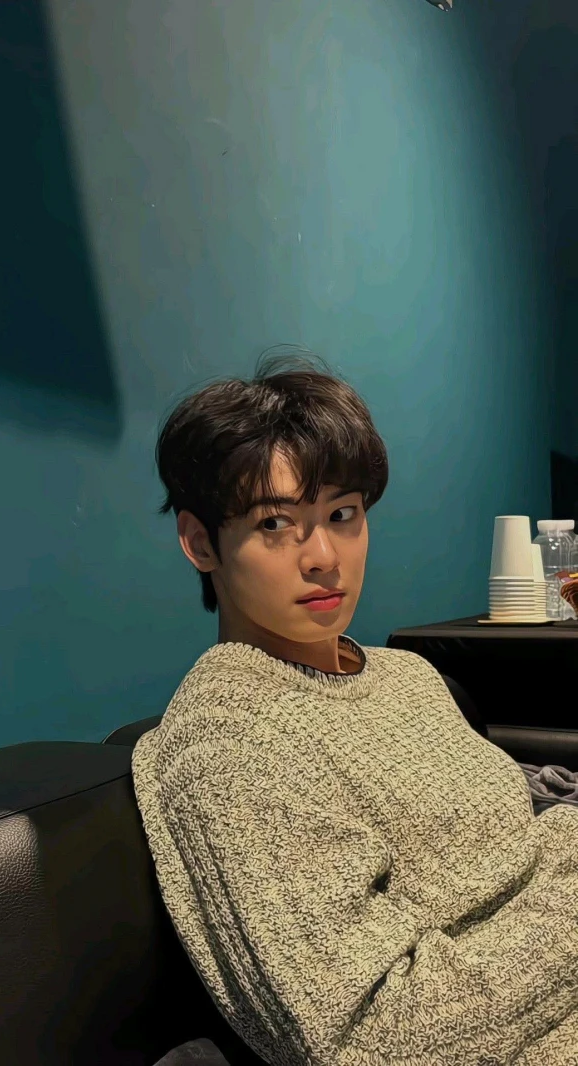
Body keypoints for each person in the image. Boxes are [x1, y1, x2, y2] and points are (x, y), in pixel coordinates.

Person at [132, 350, 578, 1066]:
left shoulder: (405, 674)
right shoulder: (230, 744)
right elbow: (374, 1035)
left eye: (342, 514)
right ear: (200, 543)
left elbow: (513, 851)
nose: (323, 556)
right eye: (275, 523)